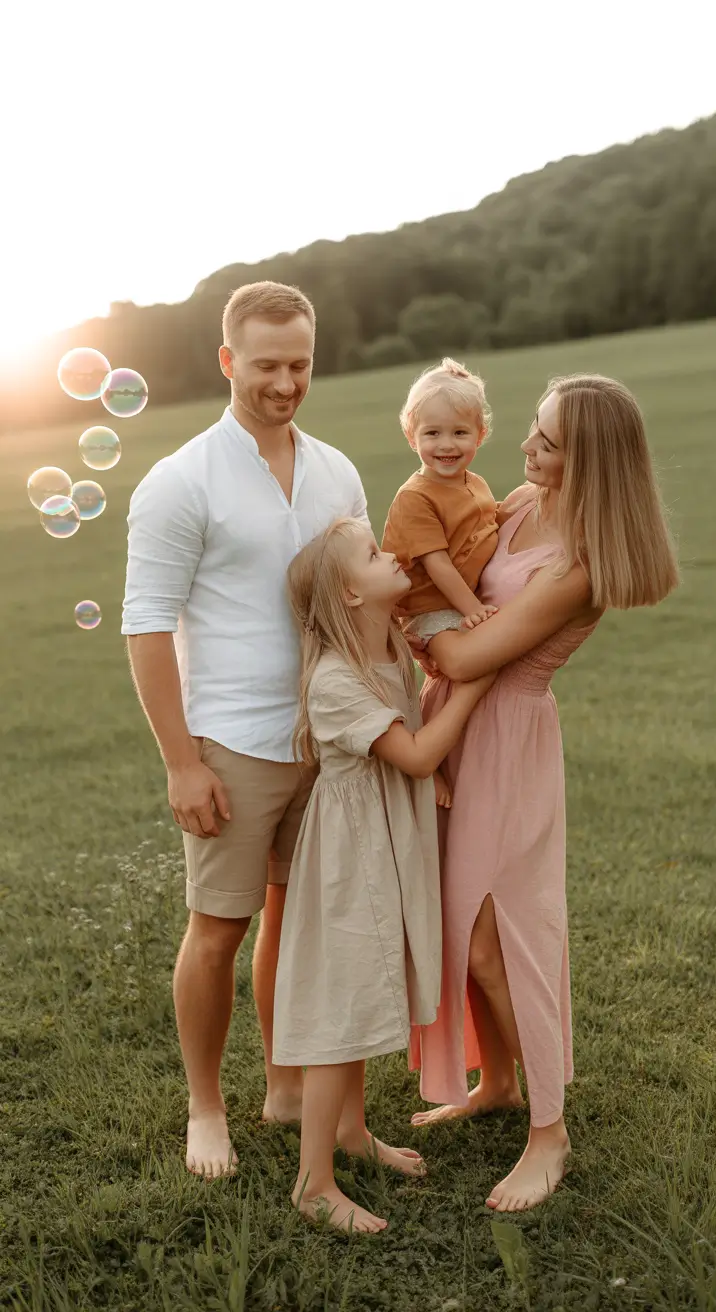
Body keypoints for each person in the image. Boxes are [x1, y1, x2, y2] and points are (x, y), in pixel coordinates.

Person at [408, 374, 679, 1212]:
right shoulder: (522, 501)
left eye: (550, 440)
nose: (526, 446)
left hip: (509, 739)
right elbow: (443, 572)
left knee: (510, 934)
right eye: (533, 427)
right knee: (465, 919)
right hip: (458, 729)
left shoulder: (580, 567)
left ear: (589, 459)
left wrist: (424, 637)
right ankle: (496, 1085)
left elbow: (463, 659)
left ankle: (549, 1134)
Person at [122, 281, 370, 1180]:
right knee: (218, 930)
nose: (285, 381)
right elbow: (146, 627)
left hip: (331, 741)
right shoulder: (180, 480)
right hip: (232, 741)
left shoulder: (338, 470)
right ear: (228, 361)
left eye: (300, 363)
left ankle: (286, 1089)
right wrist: (183, 764)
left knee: (301, 922)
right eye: (266, 364)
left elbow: (361, 593)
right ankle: (205, 1107)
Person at [272, 518, 495, 1232]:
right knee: (344, 1004)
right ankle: (313, 1183)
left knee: (370, 989)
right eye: (373, 554)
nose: (392, 553)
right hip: (350, 862)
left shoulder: (389, 656)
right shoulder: (336, 681)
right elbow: (420, 755)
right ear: (349, 591)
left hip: (383, 848)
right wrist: (478, 675)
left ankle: (350, 1133)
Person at [382, 359, 500, 806]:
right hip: (426, 609)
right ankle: (428, 770)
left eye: (459, 433)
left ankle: (449, 763)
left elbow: (489, 522)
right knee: (461, 664)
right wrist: (472, 610)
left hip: (456, 603)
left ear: (480, 435)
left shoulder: (476, 483)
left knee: (449, 682)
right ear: (412, 437)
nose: (446, 445)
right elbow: (438, 566)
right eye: (432, 434)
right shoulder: (416, 497)